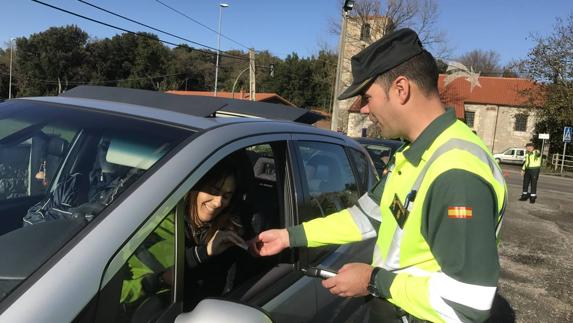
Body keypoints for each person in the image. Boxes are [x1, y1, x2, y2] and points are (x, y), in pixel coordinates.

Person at [252, 28, 507, 323]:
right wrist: (290, 236)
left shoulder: (456, 173)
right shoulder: (413, 155)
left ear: (401, 89)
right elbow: (365, 218)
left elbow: (468, 303)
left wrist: (374, 280)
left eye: (367, 96)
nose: (363, 108)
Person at [120, 156, 252, 312]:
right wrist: (159, 280)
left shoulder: (229, 233)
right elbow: (118, 295)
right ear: (194, 187)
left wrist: (249, 248)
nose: (218, 202)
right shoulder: (155, 229)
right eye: (213, 191)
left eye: (226, 196)